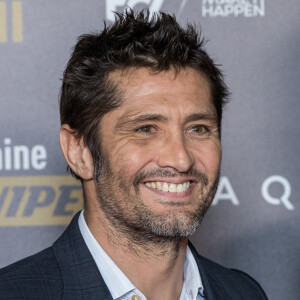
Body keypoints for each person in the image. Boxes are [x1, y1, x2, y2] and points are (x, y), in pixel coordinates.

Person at [0, 9, 268, 300]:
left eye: (199, 129)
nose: (181, 159)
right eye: (145, 129)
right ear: (79, 151)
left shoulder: (244, 293)